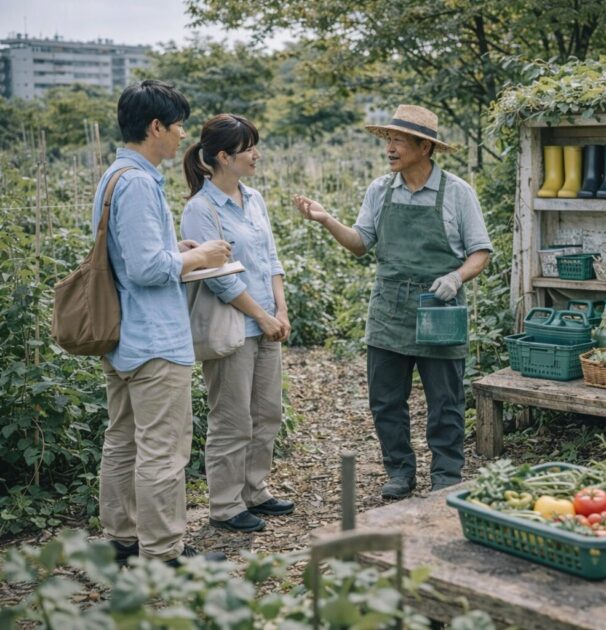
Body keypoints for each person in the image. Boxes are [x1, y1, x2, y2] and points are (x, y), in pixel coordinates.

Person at [294, 104, 492, 499]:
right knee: (385, 400)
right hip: (388, 310)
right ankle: (399, 471)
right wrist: (327, 219)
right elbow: (360, 244)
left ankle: (447, 474)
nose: (390, 148)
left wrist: (456, 276)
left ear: (424, 146)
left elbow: (481, 252)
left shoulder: (457, 192)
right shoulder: (380, 190)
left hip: (439, 310)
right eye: (389, 139)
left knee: (446, 401)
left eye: (399, 140)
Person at [97, 80, 231, 566]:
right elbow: (145, 269)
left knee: (123, 440)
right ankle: (163, 553)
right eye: (177, 127)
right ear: (155, 127)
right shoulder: (136, 182)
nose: (181, 138)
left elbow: (133, 255)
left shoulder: (117, 175)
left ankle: (123, 538)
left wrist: (179, 249)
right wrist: (204, 257)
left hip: (123, 336)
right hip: (153, 339)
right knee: (162, 450)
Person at [180, 114, 293, 532]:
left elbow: (271, 260)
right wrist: (262, 316)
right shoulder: (200, 209)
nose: (256, 155)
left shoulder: (255, 198)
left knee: (268, 413)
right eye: (249, 149)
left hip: (267, 323)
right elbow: (220, 279)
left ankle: (254, 490)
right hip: (234, 327)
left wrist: (280, 310)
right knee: (231, 419)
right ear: (224, 157)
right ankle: (226, 505)